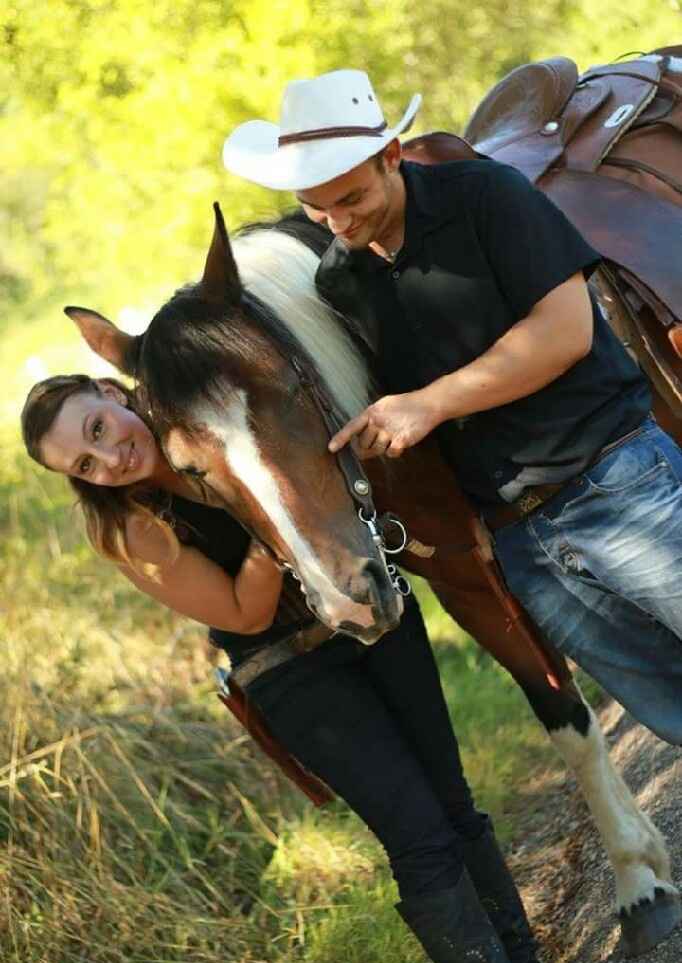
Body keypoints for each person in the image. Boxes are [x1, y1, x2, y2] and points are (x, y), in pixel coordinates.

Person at [20, 373, 612, 963]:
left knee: (455, 807)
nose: (108, 460)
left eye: (98, 429)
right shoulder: (128, 526)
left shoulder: (215, 420)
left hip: (374, 619)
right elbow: (244, 613)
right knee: (418, 837)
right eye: (84, 464)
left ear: (114, 391)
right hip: (292, 670)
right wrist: (271, 505)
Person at [221, 68, 682, 748]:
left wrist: (428, 404)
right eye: (316, 208)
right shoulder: (342, 280)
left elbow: (564, 332)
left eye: (350, 197)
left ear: (391, 155)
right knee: (670, 713)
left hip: (615, 480)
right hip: (524, 543)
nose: (337, 221)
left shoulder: (486, 196)